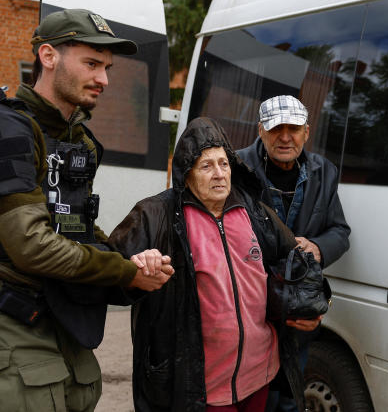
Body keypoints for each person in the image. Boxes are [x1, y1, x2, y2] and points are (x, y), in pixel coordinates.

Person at [0, 9, 173, 412]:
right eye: (92, 64)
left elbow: (77, 230)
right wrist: (125, 270)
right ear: (48, 56)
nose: (104, 80)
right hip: (14, 319)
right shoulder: (10, 130)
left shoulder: (81, 141)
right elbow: (31, 245)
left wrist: (135, 263)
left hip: (64, 318)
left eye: (108, 67)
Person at [108, 117, 322, 412]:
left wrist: (313, 305)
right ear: (187, 174)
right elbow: (110, 272)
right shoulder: (155, 215)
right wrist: (135, 268)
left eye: (224, 164)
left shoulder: (253, 212)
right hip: (200, 386)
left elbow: (296, 260)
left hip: (259, 372)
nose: (219, 174)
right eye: (206, 166)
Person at [237, 95, 351, 411]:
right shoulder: (236, 167)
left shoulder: (324, 171)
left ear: (307, 132)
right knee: (252, 399)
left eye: (294, 128)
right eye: (276, 128)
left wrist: (317, 247)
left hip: (297, 314)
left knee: (288, 399)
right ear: (260, 130)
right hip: (249, 311)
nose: (285, 137)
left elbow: (340, 232)